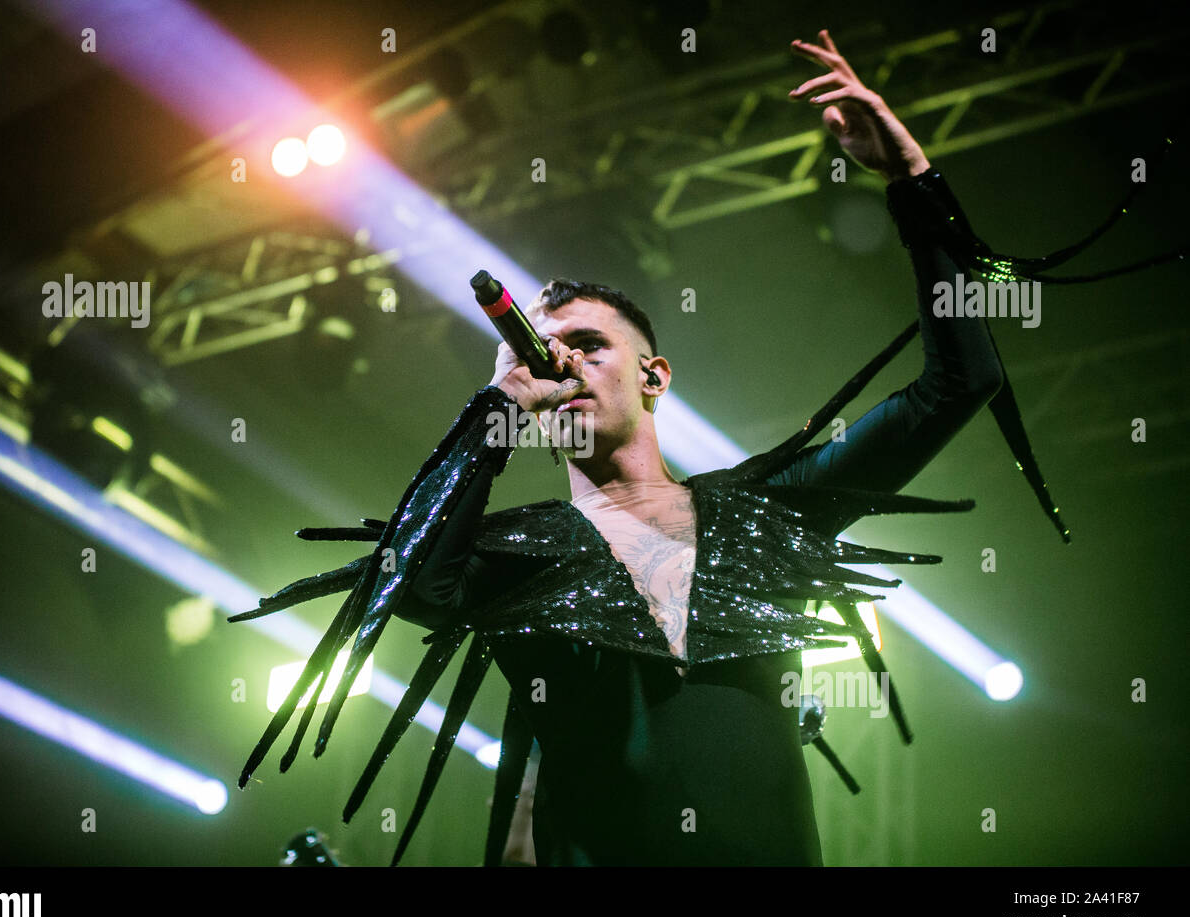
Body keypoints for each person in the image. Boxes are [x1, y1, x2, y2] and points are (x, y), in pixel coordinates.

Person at [233, 29, 1076, 866]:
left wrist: (914, 184)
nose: (561, 359)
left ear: (654, 376)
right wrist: (496, 405)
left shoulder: (763, 513)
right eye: (544, 347)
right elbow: (411, 588)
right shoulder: (519, 553)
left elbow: (961, 385)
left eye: (590, 345)